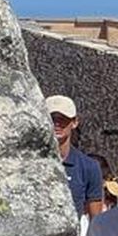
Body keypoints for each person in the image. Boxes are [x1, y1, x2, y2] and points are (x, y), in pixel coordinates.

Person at [47, 94, 104, 228]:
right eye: (52, 118)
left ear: (74, 122)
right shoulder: (28, 162)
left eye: (63, 119)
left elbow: (96, 220)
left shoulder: (89, 167)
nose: (57, 124)